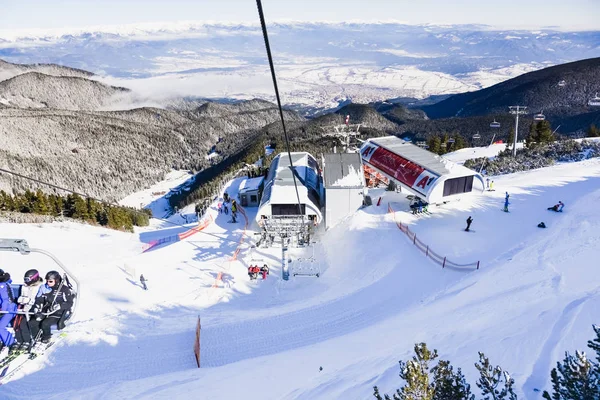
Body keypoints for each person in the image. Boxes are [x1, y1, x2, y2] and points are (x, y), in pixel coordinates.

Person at [30, 271, 74, 344]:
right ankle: (37, 337)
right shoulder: (46, 288)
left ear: (56, 280)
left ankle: (46, 338)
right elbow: (39, 299)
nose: (48, 283)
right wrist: (37, 306)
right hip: (47, 311)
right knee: (33, 322)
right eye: (47, 281)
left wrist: (60, 306)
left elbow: (70, 303)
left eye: (50, 281)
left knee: (45, 323)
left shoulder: (63, 289)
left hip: (58, 313)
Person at [13, 269, 49, 351]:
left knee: (24, 324)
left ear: (34, 278)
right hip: (23, 309)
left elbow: (39, 299)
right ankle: (19, 340)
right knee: (17, 324)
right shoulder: (24, 286)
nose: (26, 281)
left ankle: (27, 341)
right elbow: (22, 295)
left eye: (27, 279)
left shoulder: (40, 286)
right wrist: (21, 300)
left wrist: (29, 301)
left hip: (33, 310)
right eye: (25, 279)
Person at [0, 269, 17, 350]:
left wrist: (2, 310)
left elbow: (5, 300)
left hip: (9, 309)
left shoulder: (2, 285)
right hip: (7, 309)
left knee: (0, 327)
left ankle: (11, 343)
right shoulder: (5, 284)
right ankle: (2, 340)